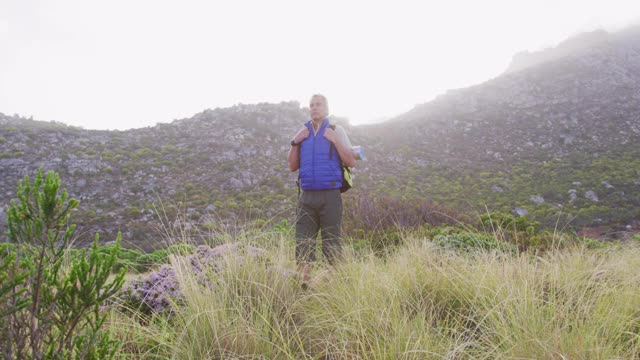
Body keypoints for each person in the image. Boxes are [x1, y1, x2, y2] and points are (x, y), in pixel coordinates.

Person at [288, 94, 356, 285]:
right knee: (303, 243)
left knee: (331, 243)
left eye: (318, 105)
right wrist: (295, 142)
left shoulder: (336, 130)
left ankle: (331, 287)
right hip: (306, 196)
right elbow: (292, 166)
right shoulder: (303, 132)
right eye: (311, 105)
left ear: (326, 109)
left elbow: (351, 161)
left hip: (330, 195)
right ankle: (304, 287)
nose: (314, 108)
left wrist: (335, 140)